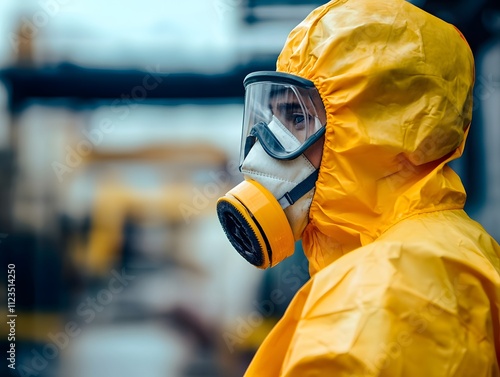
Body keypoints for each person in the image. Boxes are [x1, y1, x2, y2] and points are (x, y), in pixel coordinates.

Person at [216, 0, 500, 375]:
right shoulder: (434, 253)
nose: (263, 150)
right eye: (271, 120)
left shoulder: (384, 289)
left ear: (382, 133)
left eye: (297, 117)